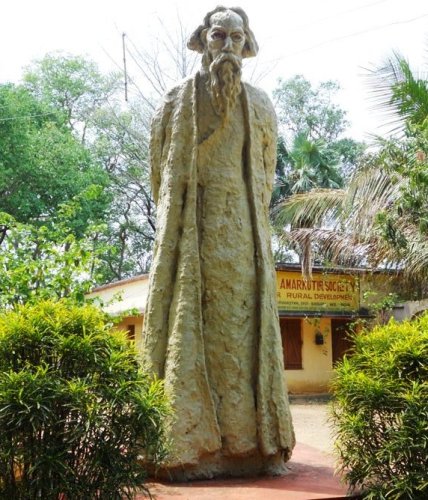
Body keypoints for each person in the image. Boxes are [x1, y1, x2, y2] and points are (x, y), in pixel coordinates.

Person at [141, 6, 295, 480]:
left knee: (243, 331)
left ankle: (252, 445)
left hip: (243, 236)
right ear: (202, 41)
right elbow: (158, 174)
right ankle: (189, 447)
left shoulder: (261, 104)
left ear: (246, 45)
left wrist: (242, 222)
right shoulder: (174, 101)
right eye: (218, 36)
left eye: (235, 37)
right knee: (190, 327)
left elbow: (267, 173)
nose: (226, 45)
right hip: (190, 237)